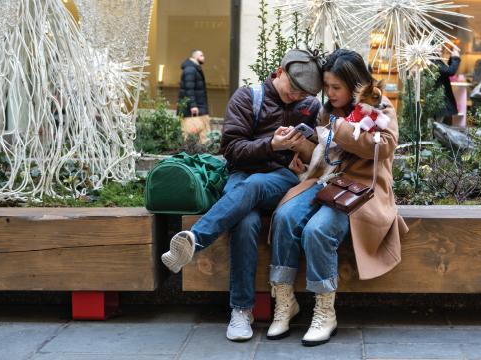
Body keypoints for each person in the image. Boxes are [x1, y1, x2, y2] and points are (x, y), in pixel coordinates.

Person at [161, 49, 325, 341]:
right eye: (294, 89)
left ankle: (195, 240)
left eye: (304, 94)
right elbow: (232, 150)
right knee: (246, 220)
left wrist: (300, 151)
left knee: (258, 184)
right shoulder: (248, 98)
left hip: (282, 180)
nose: (298, 97)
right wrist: (271, 146)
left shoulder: (310, 106)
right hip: (240, 175)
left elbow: (322, 152)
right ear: (279, 72)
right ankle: (241, 312)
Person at [266, 50, 409, 346]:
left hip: (362, 191)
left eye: (336, 88)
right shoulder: (328, 110)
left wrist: (339, 127)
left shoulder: (377, 106)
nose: (330, 94)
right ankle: (285, 302)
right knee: (284, 217)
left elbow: (383, 147)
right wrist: (301, 151)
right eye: (327, 87)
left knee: (318, 230)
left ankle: (325, 311)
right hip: (327, 181)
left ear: (355, 84)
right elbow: (326, 152)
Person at [179, 50, 211, 142]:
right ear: (195, 57)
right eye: (201, 55)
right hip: (194, 109)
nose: (203, 57)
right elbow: (189, 88)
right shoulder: (191, 69)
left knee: (203, 134)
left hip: (199, 106)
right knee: (194, 135)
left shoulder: (194, 68)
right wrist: (193, 105)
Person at [432, 44, 461, 123]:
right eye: (438, 47)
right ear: (432, 48)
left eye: (441, 47)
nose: (441, 49)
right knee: (436, 125)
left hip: (436, 98)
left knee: (435, 125)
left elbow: (446, 70)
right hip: (437, 99)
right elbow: (450, 71)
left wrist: (452, 58)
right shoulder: (433, 62)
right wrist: (456, 58)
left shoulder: (433, 60)